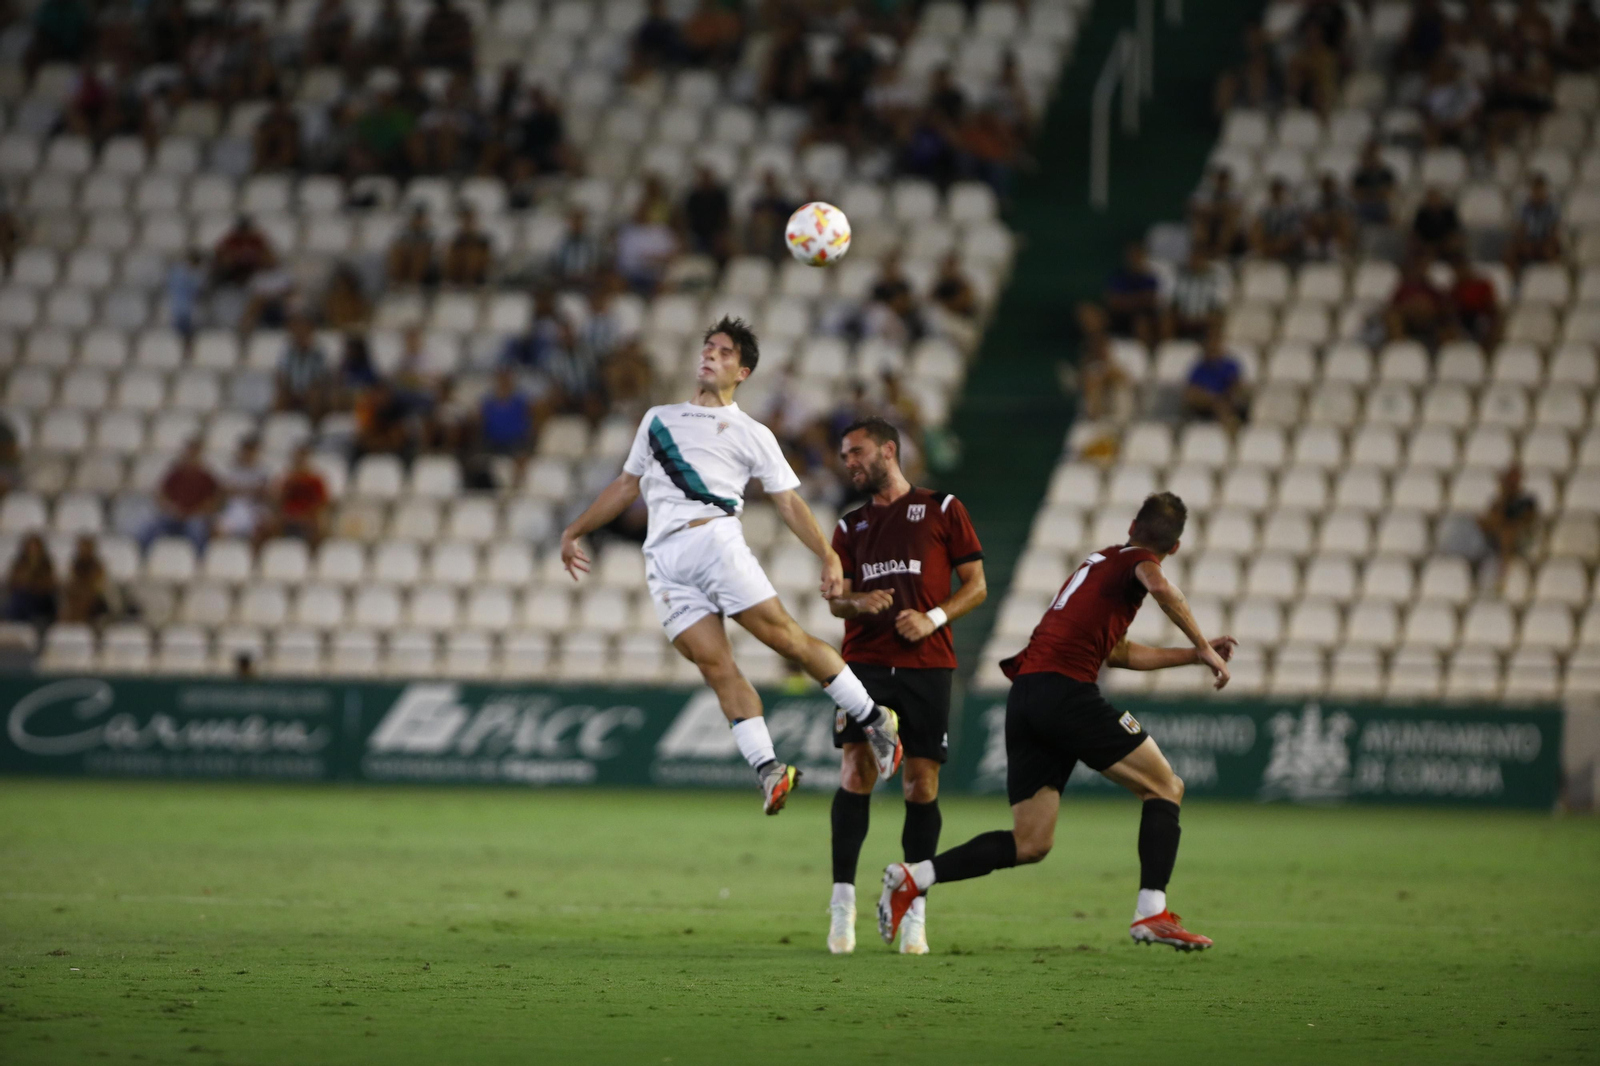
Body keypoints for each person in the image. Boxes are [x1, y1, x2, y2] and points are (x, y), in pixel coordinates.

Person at [559, 317, 905, 816]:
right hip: (664, 564)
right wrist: (574, 529)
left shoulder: (750, 431)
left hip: (714, 542)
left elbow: (788, 503)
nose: (710, 356)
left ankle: (875, 718)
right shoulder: (658, 418)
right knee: (715, 666)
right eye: (707, 348)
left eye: (723, 353)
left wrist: (828, 554)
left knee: (786, 639)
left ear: (741, 372)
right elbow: (625, 485)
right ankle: (769, 769)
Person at [877, 493, 1235, 952]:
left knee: (1031, 842)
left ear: (1130, 525)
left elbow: (1120, 652)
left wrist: (1192, 657)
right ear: (1176, 548)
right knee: (1166, 787)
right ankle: (1151, 912)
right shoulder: (1141, 564)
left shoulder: (1102, 563)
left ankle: (912, 877)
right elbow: (1160, 586)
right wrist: (1203, 644)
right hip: (1067, 693)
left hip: (1027, 695)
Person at [823, 417, 986, 956]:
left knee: (921, 785)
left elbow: (977, 586)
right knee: (855, 771)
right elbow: (835, 599)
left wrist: (933, 618)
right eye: (845, 455)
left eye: (857, 452)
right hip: (864, 664)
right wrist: (858, 604)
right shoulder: (848, 528)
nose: (849, 462)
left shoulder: (942, 508)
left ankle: (914, 908)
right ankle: (842, 906)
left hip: (927, 664)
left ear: (888, 451)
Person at [141, 439, 222, 550]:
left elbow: (214, 501)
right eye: (189, 453)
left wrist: (195, 512)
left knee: (197, 529)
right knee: (151, 527)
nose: (191, 457)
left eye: (194, 453)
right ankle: (144, 555)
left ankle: (196, 560)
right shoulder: (176, 473)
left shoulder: (206, 476)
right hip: (174, 514)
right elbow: (161, 495)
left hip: (195, 516)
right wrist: (172, 509)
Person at [1183, 326, 1250, 435]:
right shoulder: (1199, 368)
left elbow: (1236, 386)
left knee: (1224, 404)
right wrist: (1211, 398)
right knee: (1216, 403)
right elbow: (1190, 392)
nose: (1212, 347)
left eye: (1215, 343)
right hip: (1206, 406)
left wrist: (1225, 397)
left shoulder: (1230, 365)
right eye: (1209, 344)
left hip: (1227, 402)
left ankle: (1232, 430)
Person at [270, 444, 332, 544]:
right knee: (270, 526)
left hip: (309, 514)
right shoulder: (288, 478)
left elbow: (322, 501)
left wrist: (306, 515)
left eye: (302, 458)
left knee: (319, 528)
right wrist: (288, 514)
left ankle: (313, 555)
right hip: (289, 513)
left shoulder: (315, 479)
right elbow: (280, 499)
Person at [216, 434, 272, 543]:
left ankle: (255, 559)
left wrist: (240, 489)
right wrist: (252, 489)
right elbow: (226, 490)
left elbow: (265, 492)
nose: (248, 454)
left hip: (255, 508)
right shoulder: (231, 469)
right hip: (234, 508)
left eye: (251, 451)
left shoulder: (263, 470)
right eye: (246, 451)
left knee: (264, 528)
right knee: (219, 530)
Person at [1103, 243, 1161, 345]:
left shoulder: (1150, 279)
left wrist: (1126, 300)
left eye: (1137, 256)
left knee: (1141, 321)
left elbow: (1151, 301)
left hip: (1144, 317)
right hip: (1120, 316)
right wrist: (1138, 300)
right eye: (1131, 256)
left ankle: (1145, 352)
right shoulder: (1118, 277)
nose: (1134, 259)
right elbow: (1113, 302)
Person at [276, 315, 332, 416]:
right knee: (279, 398)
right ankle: (276, 426)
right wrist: (287, 390)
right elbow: (281, 375)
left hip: (310, 392)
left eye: (304, 332)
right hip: (291, 392)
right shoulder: (288, 353)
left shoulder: (317, 354)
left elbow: (320, 378)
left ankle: (314, 428)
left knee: (316, 397)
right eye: (298, 333)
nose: (300, 335)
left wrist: (308, 392)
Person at [1506, 173, 1562, 271]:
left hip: (1545, 242)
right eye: (1535, 190)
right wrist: (1523, 242)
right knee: (1510, 251)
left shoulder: (1551, 208)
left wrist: (1549, 242)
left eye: (1540, 190)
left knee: (1552, 251)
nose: (1538, 193)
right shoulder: (1525, 208)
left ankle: (1551, 278)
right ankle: (1516, 281)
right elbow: (1520, 229)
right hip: (1529, 242)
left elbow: (1554, 230)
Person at [57, 534, 111, 625]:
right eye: (82, 547)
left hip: (94, 599)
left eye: (87, 547)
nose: (84, 550)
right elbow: (71, 582)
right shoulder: (75, 565)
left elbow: (98, 586)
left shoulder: (97, 566)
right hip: (77, 597)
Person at [1250, 178, 1306, 264]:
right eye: (1274, 191)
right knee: (1256, 229)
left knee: (1291, 237)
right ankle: (1264, 253)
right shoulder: (1264, 209)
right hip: (1268, 242)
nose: (1276, 193)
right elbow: (1257, 227)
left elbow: (1295, 232)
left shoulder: (1291, 210)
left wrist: (1280, 244)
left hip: (1285, 244)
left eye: (1278, 191)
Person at [6, 533, 57, 626]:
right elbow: (13, 582)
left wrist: (33, 582)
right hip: (23, 598)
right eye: (30, 547)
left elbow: (48, 585)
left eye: (35, 547)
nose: (33, 550)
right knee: (17, 599)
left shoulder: (46, 564)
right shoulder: (19, 563)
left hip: (41, 599)